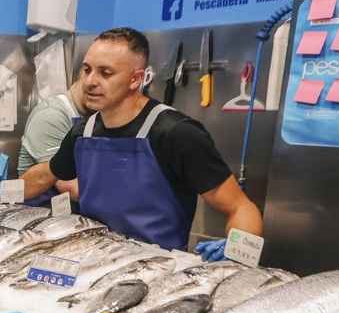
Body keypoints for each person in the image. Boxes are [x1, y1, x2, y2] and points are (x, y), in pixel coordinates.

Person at [22, 27, 262, 257]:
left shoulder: (177, 134)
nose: (90, 81)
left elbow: (241, 207)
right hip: (91, 260)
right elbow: (47, 174)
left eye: (105, 73)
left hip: (156, 270)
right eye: (86, 70)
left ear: (135, 79)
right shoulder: (83, 131)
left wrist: (237, 252)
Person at [18, 80, 89, 207]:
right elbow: (72, 187)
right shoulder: (51, 115)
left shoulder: (95, 116)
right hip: (39, 212)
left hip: (72, 211)